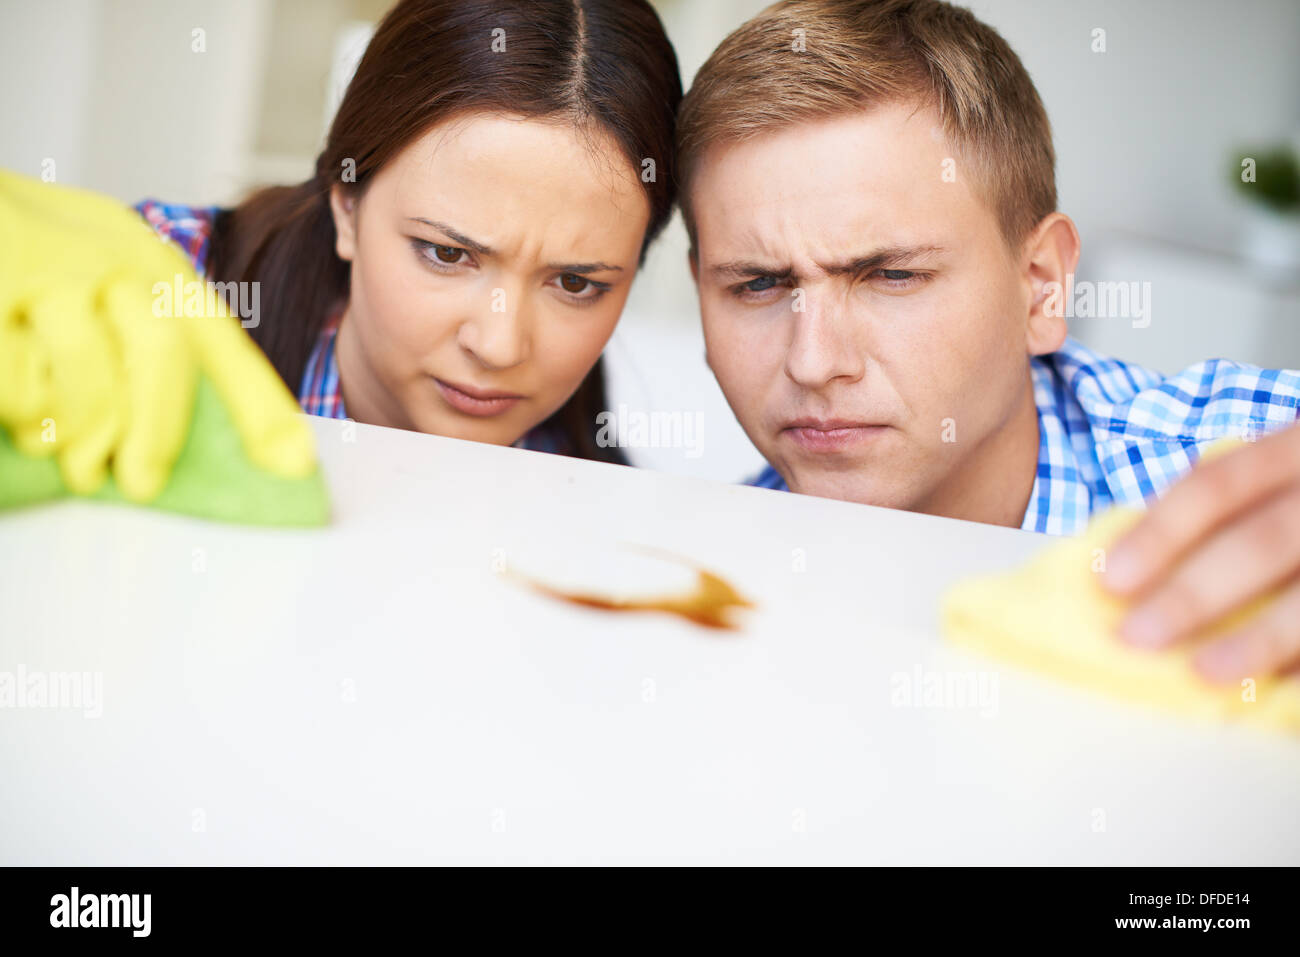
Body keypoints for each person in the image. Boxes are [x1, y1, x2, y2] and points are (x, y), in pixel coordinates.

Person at [677, 0, 1300, 680]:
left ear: (1041, 286)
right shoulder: (698, 584)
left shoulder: (1230, 464)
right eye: (758, 285)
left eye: (892, 274)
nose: (814, 361)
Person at [140, 0, 681, 462]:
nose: (498, 347)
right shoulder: (151, 284)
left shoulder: (593, 510)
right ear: (347, 203)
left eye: (575, 284)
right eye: (447, 253)